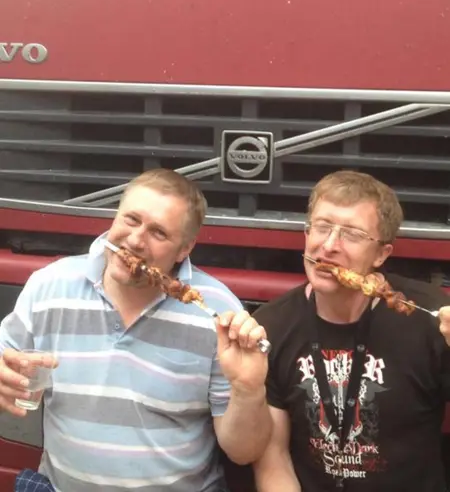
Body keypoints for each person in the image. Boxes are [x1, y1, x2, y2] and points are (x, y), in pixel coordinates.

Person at [0, 168, 272, 492]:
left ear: (185, 248)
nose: (135, 241)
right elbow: (6, 359)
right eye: (131, 219)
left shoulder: (219, 313)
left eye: (158, 232)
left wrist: (248, 390)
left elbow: (244, 452)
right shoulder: (50, 285)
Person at [253, 169, 450, 492]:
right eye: (322, 227)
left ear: (381, 254)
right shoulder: (272, 324)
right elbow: (272, 460)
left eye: (352, 234)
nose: (329, 245)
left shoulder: (431, 320)